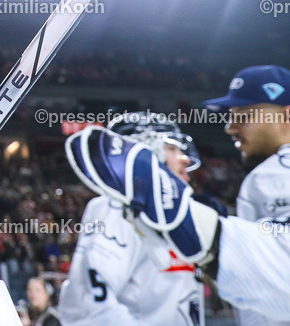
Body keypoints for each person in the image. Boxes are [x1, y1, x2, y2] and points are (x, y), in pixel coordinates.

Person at [65, 65, 290, 326]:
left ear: (288, 115)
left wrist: (202, 230)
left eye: (245, 115)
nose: (230, 127)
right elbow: (87, 306)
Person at [59, 112, 205, 325]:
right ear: (144, 152)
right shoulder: (117, 207)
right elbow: (87, 305)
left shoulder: (174, 212)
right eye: (172, 149)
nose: (185, 159)